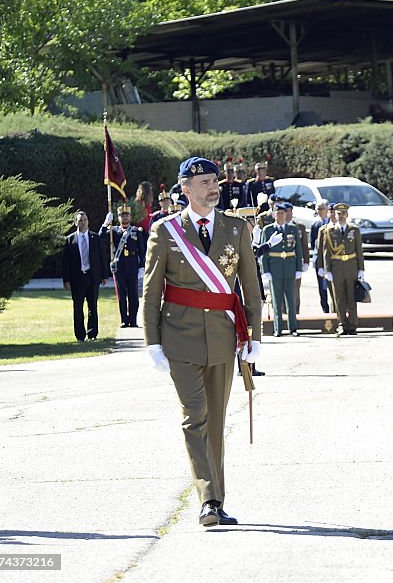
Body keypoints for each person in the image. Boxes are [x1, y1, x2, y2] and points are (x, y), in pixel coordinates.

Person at [142, 156, 262, 527]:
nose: (213, 188)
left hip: (224, 336)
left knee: (215, 421)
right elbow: (151, 292)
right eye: (205, 182)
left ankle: (217, 501)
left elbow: (250, 286)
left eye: (215, 181)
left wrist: (254, 336)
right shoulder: (165, 232)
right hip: (179, 338)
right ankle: (208, 500)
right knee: (195, 417)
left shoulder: (236, 228)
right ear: (186, 189)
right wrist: (152, 342)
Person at [61, 211, 108, 341]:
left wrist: (105, 275)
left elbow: (102, 258)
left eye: (85, 219)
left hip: (92, 277)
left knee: (92, 306)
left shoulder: (95, 238)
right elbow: (66, 263)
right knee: (78, 307)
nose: (83, 222)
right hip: (77, 279)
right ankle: (80, 335)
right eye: (80, 220)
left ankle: (92, 333)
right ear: (76, 222)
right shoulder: (70, 240)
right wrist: (66, 280)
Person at [320, 202, 365, 335]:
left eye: (343, 214)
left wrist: (361, 269)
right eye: (339, 214)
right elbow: (326, 252)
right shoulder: (329, 231)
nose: (341, 216)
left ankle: (353, 324)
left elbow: (359, 250)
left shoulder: (354, 230)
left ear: (347, 215)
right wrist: (327, 270)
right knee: (339, 298)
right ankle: (341, 323)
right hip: (337, 267)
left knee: (351, 296)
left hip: (351, 266)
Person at [260, 202, 304, 337]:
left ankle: (293, 328)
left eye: (282, 213)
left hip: (289, 266)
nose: (280, 216)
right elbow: (263, 251)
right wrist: (265, 270)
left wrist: (299, 268)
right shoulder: (268, 230)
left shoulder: (292, 229)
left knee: (291, 299)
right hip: (275, 267)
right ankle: (278, 329)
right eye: (277, 213)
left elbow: (298, 250)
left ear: (286, 215)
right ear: (273, 214)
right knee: (276, 300)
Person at [100, 205, 147, 328]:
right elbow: (101, 236)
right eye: (122, 215)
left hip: (132, 266)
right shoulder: (113, 230)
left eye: (127, 215)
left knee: (133, 295)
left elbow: (142, 250)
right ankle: (124, 320)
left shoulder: (136, 231)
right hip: (120, 266)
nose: (125, 217)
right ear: (119, 217)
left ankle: (133, 320)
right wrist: (106, 223)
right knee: (121, 295)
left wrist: (142, 267)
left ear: (130, 217)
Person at [287, 203, 310, 315]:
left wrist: (306, 262)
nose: (288, 214)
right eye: (285, 212)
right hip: (280, 263)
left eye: (290, 212)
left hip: (295, 263)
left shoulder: (299, 227)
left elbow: (304, 246)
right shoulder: (275, 227)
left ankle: (295, 315)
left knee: (295, 291)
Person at [310, 201, 332, 313]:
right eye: (318, 209)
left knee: (332, 287)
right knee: (322, 288)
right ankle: (325, 309)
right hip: (319, 261)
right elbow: (314, 244)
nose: (320, 211)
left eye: (322, 209)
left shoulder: (331, 223)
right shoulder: (315, 225)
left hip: (331, 260)